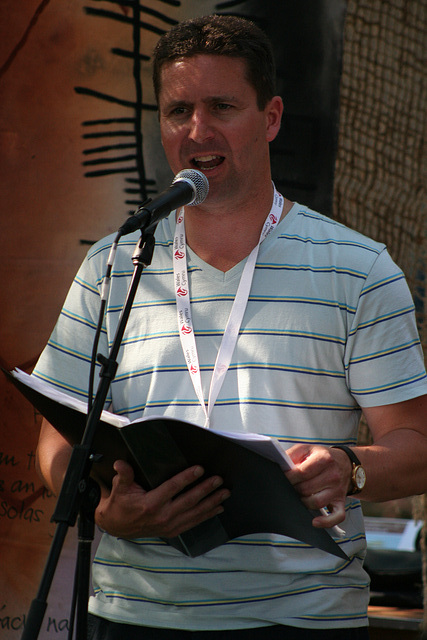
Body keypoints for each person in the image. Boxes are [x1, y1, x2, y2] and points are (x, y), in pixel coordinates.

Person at [34, 14, 427, 639]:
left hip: (300, 618)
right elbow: (56, 440)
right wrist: (108, 509)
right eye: (178, 111)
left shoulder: (359, 268)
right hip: (133, 614)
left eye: (221, 106)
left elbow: (416, 448)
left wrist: (348, 468)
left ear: (270, 119)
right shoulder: (115, 263)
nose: (197, 131)